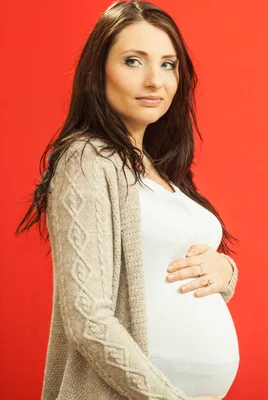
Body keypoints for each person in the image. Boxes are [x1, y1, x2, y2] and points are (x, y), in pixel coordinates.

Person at [15, 1, 241, 399]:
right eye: (134, 61)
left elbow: (168, 265)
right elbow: (87, 316)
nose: (155, 80)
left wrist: (225, 271)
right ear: (97, 72)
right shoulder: (88, 158)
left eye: (168, 64)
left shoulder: (157, 167)